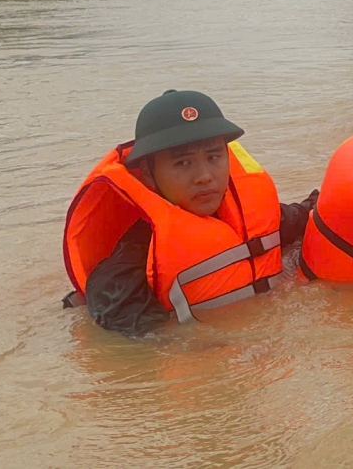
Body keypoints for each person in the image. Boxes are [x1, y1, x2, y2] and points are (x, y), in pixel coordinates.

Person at [62, 90, 317, 336]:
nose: (204, 176)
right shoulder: (127, 269)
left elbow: (305, 215)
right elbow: (144, 347)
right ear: (148, 175)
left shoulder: (260, 216)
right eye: (182, 163)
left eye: (214, 157)